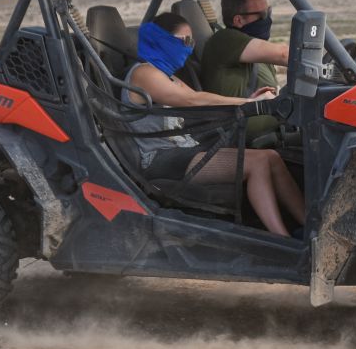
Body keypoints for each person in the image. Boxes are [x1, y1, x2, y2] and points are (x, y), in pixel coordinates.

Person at [124, 12, 305, 237]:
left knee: (272, 157)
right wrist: (251, 103)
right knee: (257, 163)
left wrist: (249, 103)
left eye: (193, 42)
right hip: (160, 158)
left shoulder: (166, 75)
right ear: (163, 40)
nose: (189, 48)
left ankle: (308, 226)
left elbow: (201, 101)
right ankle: (284, 241)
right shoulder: (144, 73)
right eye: (185, 41)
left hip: (183, 150)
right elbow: (192, 101)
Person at [199, 0, 286, 142]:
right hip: (244, 142)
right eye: (262, 15)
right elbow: (284, 55)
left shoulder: (256, 50)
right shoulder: (225, 40)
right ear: (238, 20)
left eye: (269, 11)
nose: (267, 19)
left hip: (275, 133)